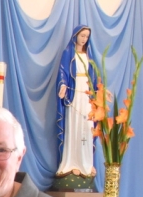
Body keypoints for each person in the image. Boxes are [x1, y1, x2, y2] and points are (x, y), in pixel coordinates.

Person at [55, 26, 97, 179]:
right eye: (82, 35)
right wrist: (63, 85)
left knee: (87, 126)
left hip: (86, 93)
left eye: (87, 36)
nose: (84, 39)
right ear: (76, 36)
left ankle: (85, 162)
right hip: (74, 93)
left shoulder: (89, 55)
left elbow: (95, 76)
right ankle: (72, 162)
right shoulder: (69, 53)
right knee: (74, 126)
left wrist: (97, 92)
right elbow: (63, 71)